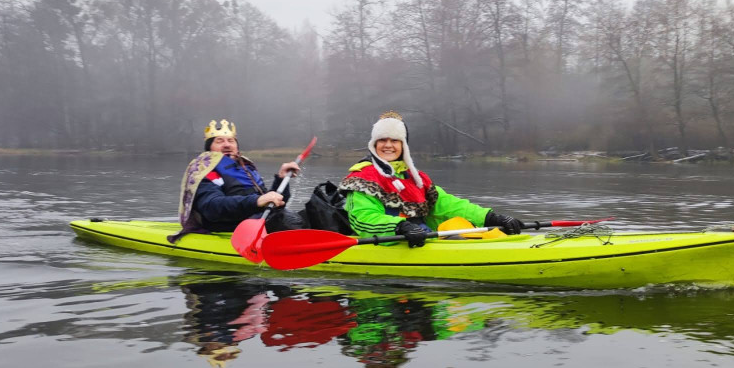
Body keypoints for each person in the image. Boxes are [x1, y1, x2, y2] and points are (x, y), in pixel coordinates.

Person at [337, 111, 522, 247]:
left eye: (394, 141)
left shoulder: (416, 178)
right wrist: (401, 227)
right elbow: (362, 219)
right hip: (391, 242)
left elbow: (448, 205)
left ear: (403, 145)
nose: (388, 145)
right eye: (382, 140)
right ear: (374, 144)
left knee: (459, 224)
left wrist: (490, 217)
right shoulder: (362, 178)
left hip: (423, 240)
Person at [169, 119, 304, 243]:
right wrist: (256, 201)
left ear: (236, 146)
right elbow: (212, 208)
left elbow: (275, 203)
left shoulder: (245, 168)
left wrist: (281, 178)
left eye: (231, 141)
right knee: (287, 222)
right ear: (210, 148)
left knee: (313, 211)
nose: (227, 145)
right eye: (219, 141)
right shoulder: (205, 170)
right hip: (227, 227)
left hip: (258, 222)